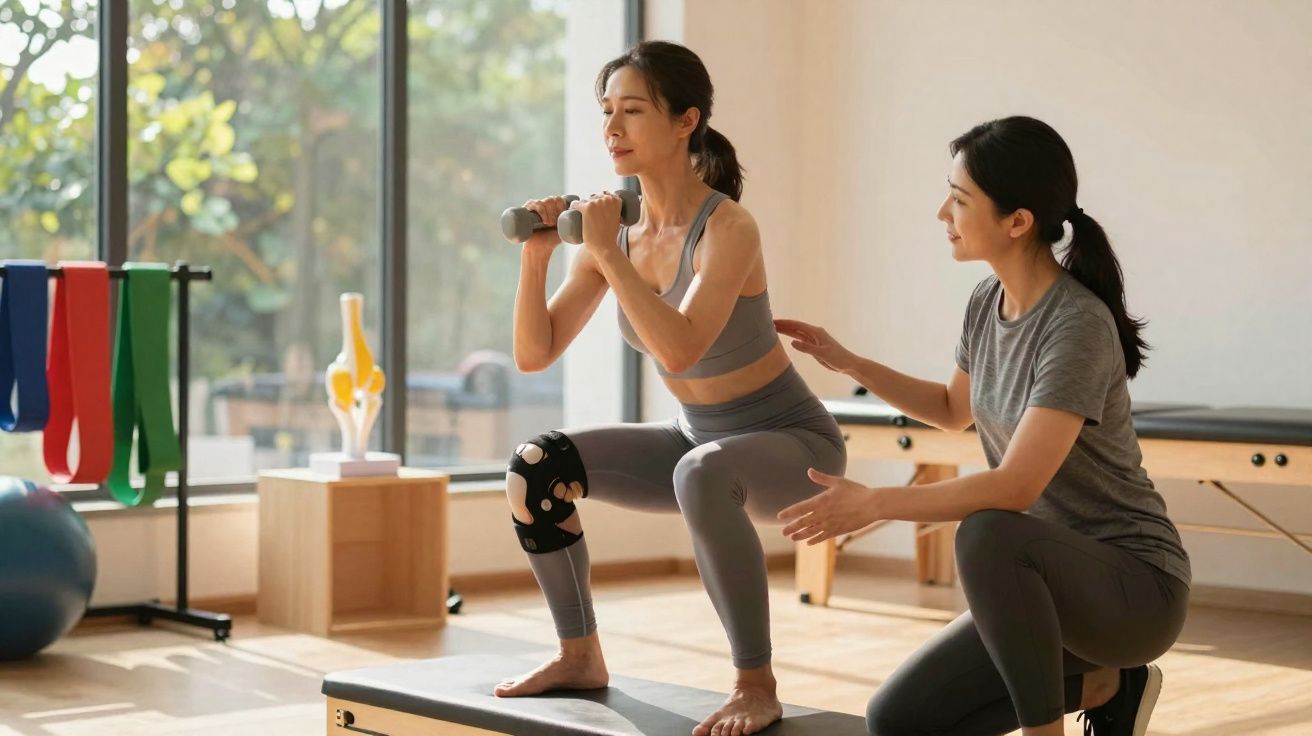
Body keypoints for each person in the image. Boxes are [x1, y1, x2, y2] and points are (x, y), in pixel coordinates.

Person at [776, 116, 1190, 736]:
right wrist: (849, 361)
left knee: (987, 533)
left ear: (1017, 221)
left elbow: (1013, 489)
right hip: (1041, 588)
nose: (943, 212)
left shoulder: (1075, 324)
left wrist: (876, 503)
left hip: (1132, 592)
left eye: (960, 199)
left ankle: (1044, 728)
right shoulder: (985, 301)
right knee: (897, 720)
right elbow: (950, 409)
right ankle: (1108, 684)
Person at [495, 41, 847, 736]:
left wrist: (600, 251)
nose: (612, 129)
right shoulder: (617, 232)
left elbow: (684, 347)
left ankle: (756, 683)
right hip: (695, 445)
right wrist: (538, 260)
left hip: (793, 450)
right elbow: (536, 353)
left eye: (632, 111)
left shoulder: (729, 228)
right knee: (536, 468)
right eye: (606, 112)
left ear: (686, 121)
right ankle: (579, 654)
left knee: (704, 470)